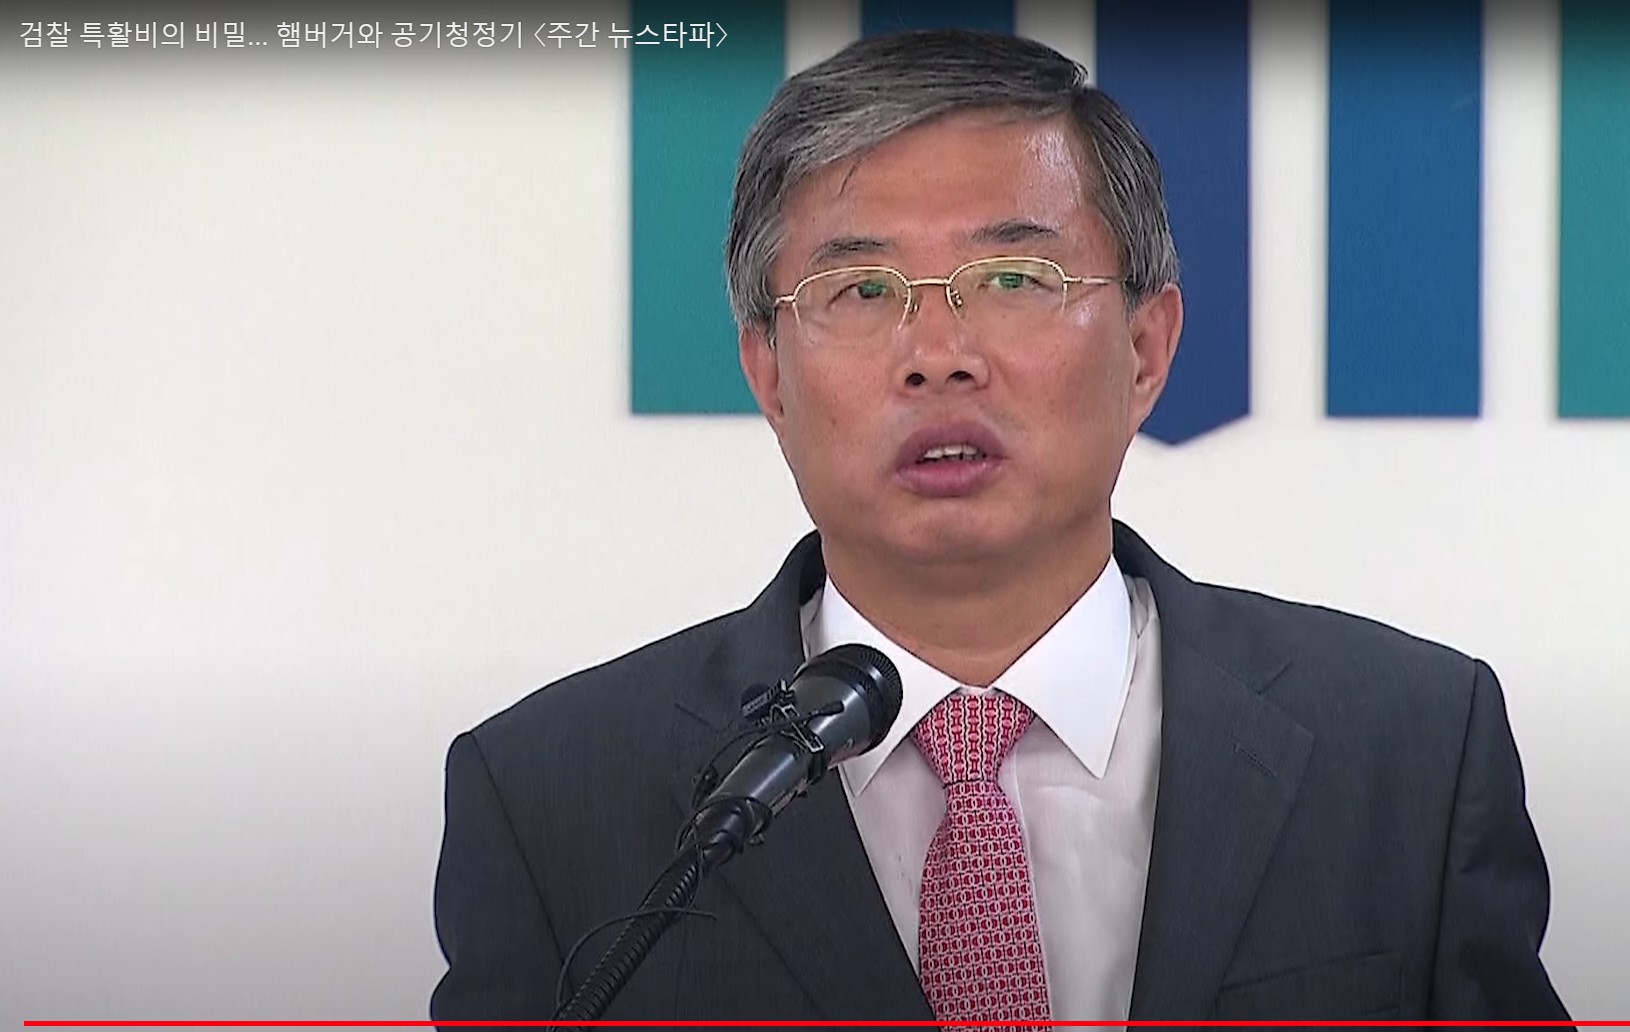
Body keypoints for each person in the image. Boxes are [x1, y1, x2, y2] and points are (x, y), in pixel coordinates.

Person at [430, 29, 1570, 1024]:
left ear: (1147, 350)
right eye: (861, 291)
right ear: (768, 375)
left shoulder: (1408, 754)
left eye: (1016, 278)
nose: (939, 354)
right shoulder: (553, 800)